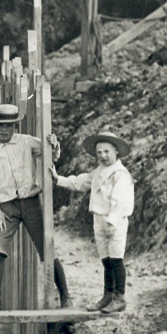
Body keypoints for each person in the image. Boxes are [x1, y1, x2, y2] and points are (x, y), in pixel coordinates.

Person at [0, 102, 68, 311]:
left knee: (47, 247)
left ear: (16, 126)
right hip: (6, 208)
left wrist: (54, 145)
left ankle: (66, 297)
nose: (4, 130)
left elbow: (48, 155)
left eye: (9, 126)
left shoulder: (27, 142)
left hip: (31, 202)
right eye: (0, 126)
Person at [55, 131, 136, 314]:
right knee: (106, 260)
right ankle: (107, 295)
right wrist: (58, 179)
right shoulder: (99, 172)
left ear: (116, 152)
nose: (103, 156)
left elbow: (121, 201)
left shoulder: (120, 174)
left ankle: (119, 297)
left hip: (114, 220)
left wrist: (112, 221)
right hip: (98, 219)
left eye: (107, 151)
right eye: (99, 152)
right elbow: (81, 182)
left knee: (116, 259)